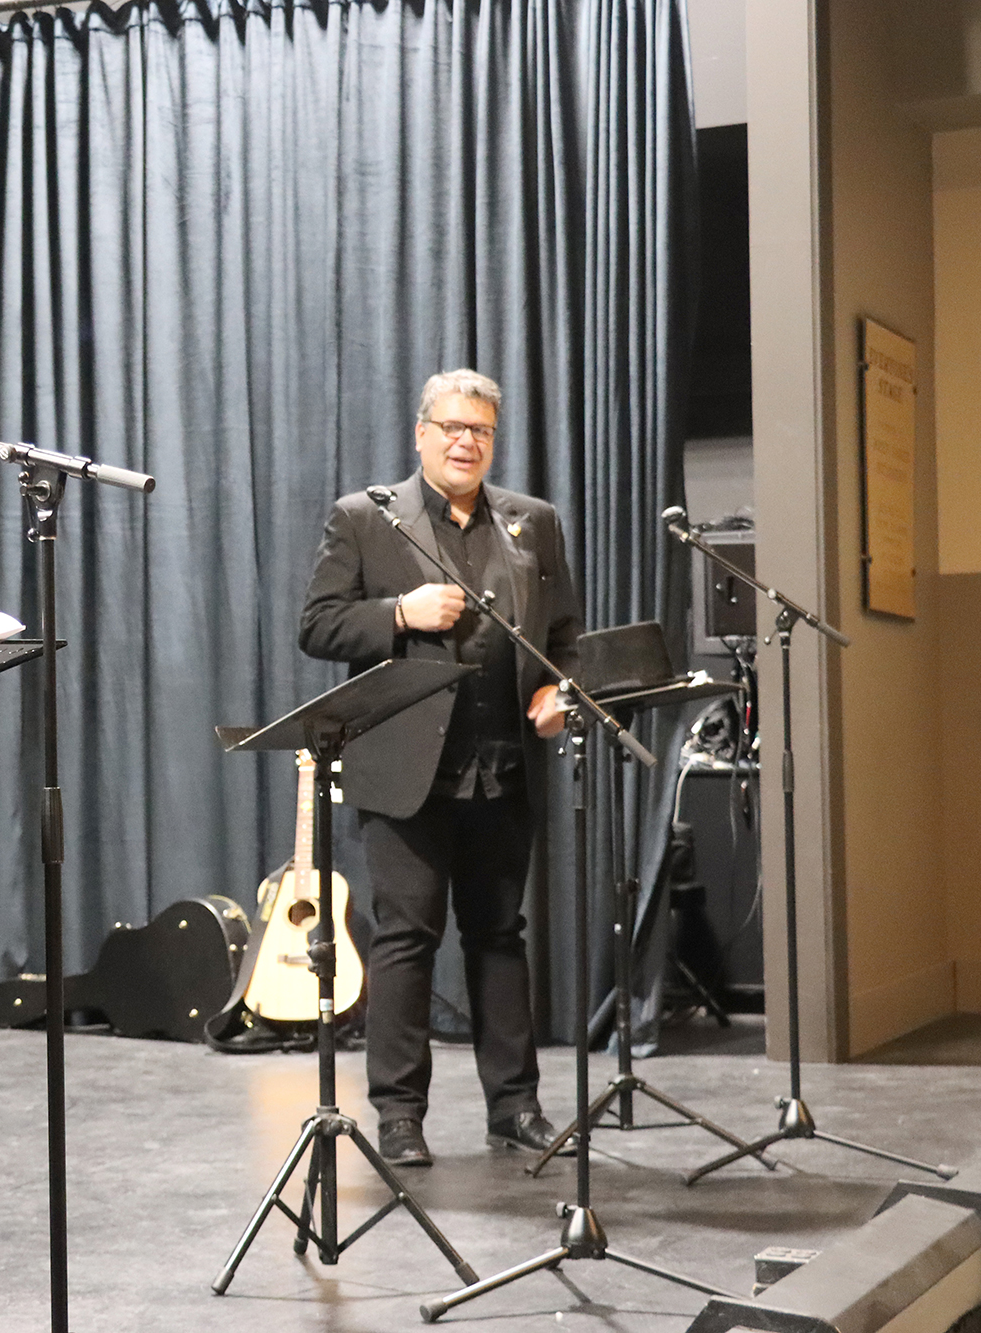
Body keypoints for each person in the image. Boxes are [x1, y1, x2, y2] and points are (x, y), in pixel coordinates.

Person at [298, 368, 583, 1169]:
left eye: (481, 431)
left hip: (504, 766)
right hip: (406, 770)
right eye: (452, 427)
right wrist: (399, 612)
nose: (466, 441)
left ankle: (516, 1107)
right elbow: (316, 625)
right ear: (420, 433)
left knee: (500, 936)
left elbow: (563, 633)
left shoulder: (533, 522)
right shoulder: (367, 517)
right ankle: (397, 1114)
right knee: (405, 939)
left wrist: (559, 688)